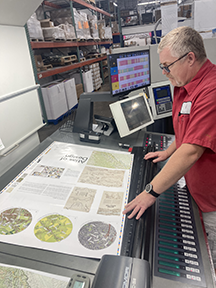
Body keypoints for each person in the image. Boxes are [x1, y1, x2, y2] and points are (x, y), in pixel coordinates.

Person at [123, 26, 216, 271]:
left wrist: (150, 193)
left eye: (167, 66)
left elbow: (192, 150)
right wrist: (168, 152)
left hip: (212, 202)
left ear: (190, 58)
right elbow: (187, 131)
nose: (165, 73)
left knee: (210, 262)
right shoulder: (184, 83)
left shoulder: (211, 91)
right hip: (196, 189)